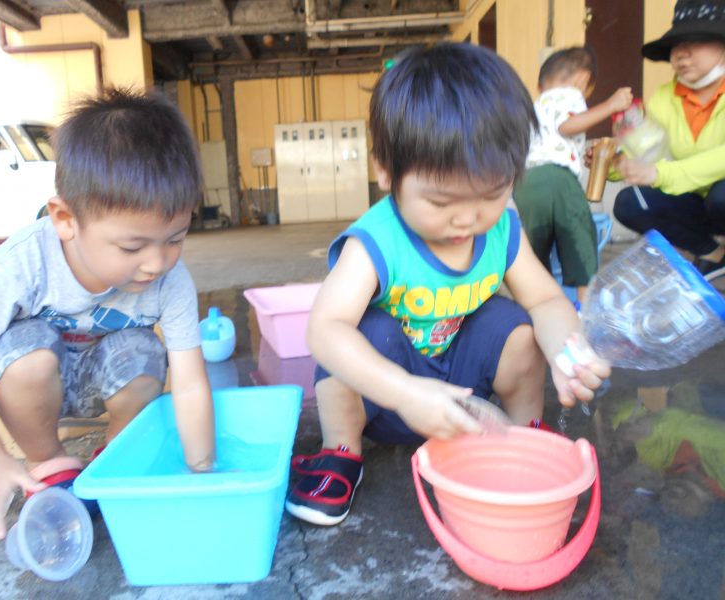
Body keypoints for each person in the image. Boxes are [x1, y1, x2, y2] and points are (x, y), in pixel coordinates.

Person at [284, 43, 611, 527]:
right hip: (387, 394)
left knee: (516, 325)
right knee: (362, 332)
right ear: (385, 170)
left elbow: (544, 297)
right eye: (440, 202)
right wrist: (405, 391)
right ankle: (340, 453)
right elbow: (324, 330)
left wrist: (568, 350)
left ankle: (527, 438)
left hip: (462, 393)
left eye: (491, 195)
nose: (467, 218)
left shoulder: (499, 231)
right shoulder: (377, 239)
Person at [0, 89, 215, 556]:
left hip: (109, 374)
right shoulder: (24, 264)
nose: (158, 262)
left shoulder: (172, 281)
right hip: (37, 382)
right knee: (26, 350)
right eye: (132, 247)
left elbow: (188, 384)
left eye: (176, 238)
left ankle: (116, 458)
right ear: (65, 218)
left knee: (145, 353)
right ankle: (49, 463)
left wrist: (203, 471)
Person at [613, 0, 725, 275]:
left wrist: (660, 173)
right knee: (630, 201)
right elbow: (649, 150)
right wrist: (615, 164)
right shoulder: (665, 96)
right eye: (676, 44)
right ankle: (714, 253)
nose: (682, 53)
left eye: (696, 41)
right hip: (694, 201)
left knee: (722, 196)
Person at [513, 47, 632, 303]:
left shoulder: (535, 105)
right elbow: (567, 126)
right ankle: (586, 302)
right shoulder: (569, 95)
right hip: (558, 178)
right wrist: (611, 105)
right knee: (579, 232)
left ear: (539, 84)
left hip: (525, 182)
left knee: (534, 248)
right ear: (583, 79)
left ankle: (536, 304)